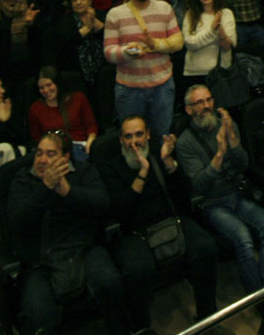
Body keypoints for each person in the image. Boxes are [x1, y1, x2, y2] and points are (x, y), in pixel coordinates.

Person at [175, 85, 264, 335]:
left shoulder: (226, 125)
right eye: (199, 103)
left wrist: (232, 142)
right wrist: (220, 153)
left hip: (236, 194)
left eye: (209, 99)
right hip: (213, 203)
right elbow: (199, 184)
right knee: (243, 239)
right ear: (190, 110)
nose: (206, 106)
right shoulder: (185, 143)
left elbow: (244, 164)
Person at [94, 116, 221, 333]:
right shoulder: (110, 167)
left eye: (139, 135)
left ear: (148, 135)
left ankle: (207, 317)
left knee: (205, 246)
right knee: (137, 270)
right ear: (121, 141)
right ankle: (142, 329)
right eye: (128, 136)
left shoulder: (158, 156)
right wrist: (142, 173)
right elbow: (119, 212)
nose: (134, 142)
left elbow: (184, 194)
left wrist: (169, 162)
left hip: (169, 220)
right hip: (133, 231)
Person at [7, 131, 131, 335]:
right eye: (39, 154)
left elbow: (102, 203)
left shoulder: (84, 172)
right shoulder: (23, 180)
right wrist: (46, 188)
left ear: (65, 158)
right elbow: (17, 222)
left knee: (109, 283)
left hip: (84, 249)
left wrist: (68, 192)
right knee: (39, 314)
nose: (42, 160)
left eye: (50, 154)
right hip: (42, 260)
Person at [102, 0, 183, 143]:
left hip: (162, 86)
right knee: (132, 141)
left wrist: (156, 44)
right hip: (130, 89)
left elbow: (178, 42)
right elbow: (108, 53)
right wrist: (128, 52)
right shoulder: (115, 14)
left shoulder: (164, 8)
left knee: (162, 136)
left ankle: (160, 169)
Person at [180, 0, 236, 100]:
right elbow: (190, 44)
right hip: (195, 74)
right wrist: (211, 31)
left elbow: (228, 46)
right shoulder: (190, 14)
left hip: (221, 74)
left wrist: (219, 30)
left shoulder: (226, 13)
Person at [28, 66, 97, 157]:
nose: (45, 90)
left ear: (58, 83)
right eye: (41, 88)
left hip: (80, 146)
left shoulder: (78, 98)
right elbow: (36, 138)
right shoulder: (35, 108)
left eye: (49, 85)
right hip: (52, 151)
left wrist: (91, 141)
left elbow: (91, 125)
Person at [50, 0, 106, 93]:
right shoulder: (66, 20)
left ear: (90, 0)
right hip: (76, 71)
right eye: (74, 0)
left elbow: (106, 35)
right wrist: (87, 28)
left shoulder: (100, 14)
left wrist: (93, 20)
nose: (78, 2)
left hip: (100, 68)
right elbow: (68, 40)